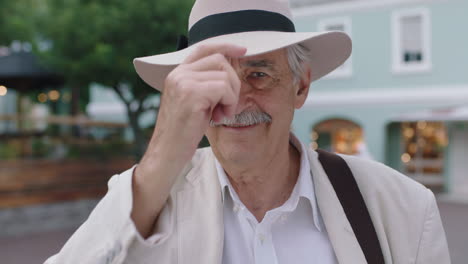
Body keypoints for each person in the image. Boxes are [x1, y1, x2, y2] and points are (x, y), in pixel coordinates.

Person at [45, 0, 450, 263]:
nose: (234, 103)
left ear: (301, 86)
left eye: (258, 74)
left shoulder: (403, 209)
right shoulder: (147, 197)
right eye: (211, 79)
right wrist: (161, 156)